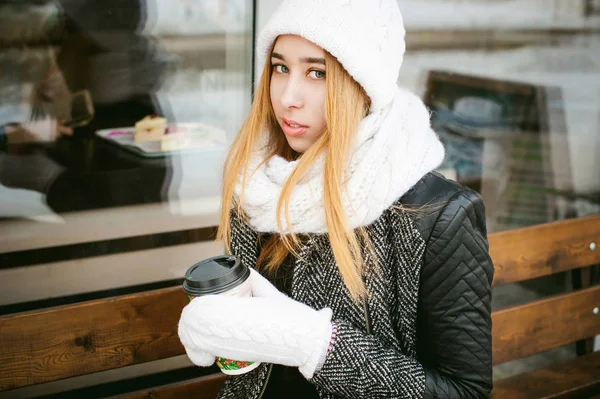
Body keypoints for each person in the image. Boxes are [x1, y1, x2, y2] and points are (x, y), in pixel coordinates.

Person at [177, 0, 494, 398]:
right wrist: (219, 331)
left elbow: (466, 392)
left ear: (363, 84)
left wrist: (317, 344)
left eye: (317, 72)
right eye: (280, 67)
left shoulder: (439, 215)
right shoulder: (258, 183)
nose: (288, 96)